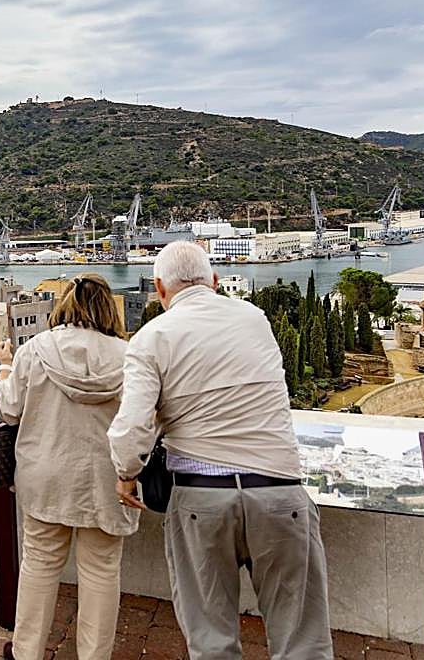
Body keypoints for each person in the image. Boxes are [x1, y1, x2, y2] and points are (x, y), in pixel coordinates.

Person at [108, 241, 333, 660]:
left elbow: (132, 427)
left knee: (212, 643)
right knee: (303, 644)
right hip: (279, 491)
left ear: (159, 288)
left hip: (200, 498)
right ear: (214, 281)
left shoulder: (151, 338)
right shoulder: (255, 318)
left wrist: (126, 474)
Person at [0, 274, 138, 660]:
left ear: (65, 305)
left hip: (46, 475)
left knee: (39, 563)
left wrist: (4, 369)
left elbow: (9, 410)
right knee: (102, 571)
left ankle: (26, 652)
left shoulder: (36, 350)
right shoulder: (129, 357)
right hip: (107, 479)